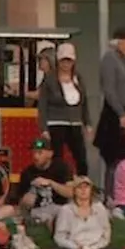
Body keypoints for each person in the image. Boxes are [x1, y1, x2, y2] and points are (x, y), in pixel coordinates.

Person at [93, 28, 125, 190]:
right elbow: (109, 90)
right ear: (121, 42)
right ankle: (111, 196)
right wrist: (120, 114)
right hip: (115, 116)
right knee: (113, 158)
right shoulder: (109, 59)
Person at [36, 42, 92, 176]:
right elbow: (42, 105)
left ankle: (82, 184)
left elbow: (84, 102)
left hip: (75, 123)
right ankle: (57, 184)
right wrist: (43, 128)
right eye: (63, 61)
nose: (66, 65)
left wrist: (88, 123)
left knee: (81, 158)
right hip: (56, 123)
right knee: (57, 159)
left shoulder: (78, 78)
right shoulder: (50, 80)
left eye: (69, 61)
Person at [51, 176, 119, 249]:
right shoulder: (66, 210)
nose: (83, 190)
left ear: (91, 190)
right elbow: (59, 236)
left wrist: (93, 248)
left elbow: (106, 235)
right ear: (74, 191)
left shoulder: (100, 208)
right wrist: (76, 248)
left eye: (86, 187)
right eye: (80, 188)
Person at [13, 138, 72, 225]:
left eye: (40, 153)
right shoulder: (27, 173)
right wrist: (25, 201)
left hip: (59, 209)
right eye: (34, 153)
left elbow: (70, 192)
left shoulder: (62, 168)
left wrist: (51, 183)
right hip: (37, 211)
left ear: (50, 154)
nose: (35, 156)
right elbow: (20, 205)